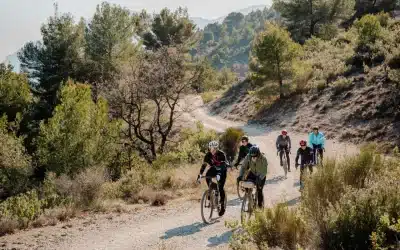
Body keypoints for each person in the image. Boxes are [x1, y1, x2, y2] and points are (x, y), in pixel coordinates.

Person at [197, 140, 228, 216]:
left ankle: (222, 207)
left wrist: (219, 174)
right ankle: (211, 188)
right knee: (207, 175)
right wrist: (200, 175)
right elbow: (204, 165)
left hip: (222, 170)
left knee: (220, 187)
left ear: (217, 149)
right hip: (214, 168)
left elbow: (223, 166)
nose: (212, 150)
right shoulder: (208, 155)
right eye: (211, 148)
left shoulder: (221, 154)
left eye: (214, 149)